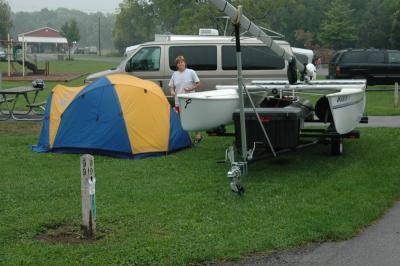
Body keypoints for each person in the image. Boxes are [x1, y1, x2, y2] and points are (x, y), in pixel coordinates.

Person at [169, 55, 202, 144]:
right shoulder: (174, 74)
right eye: (179, 63)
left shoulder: (191, 72)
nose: (181, 64)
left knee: (192, 117)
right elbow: (171, 87)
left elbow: (198, 83)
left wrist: (191, 89)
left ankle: (198, 135)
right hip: (178, 100)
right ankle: (184, 137)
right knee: (180, 119)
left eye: (182, 62)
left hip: (189, 100)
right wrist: (172, 91)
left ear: (185, 63)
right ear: (177, 65)